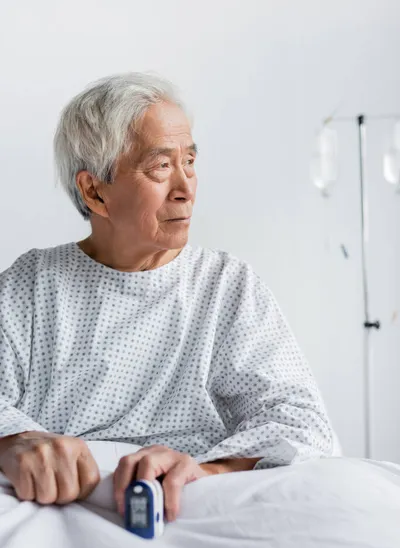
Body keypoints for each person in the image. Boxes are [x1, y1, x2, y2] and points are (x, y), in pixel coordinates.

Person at [0, 73, 334, 522]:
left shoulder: (226, 286)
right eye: (161, 167)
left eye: (190, 162)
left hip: (190, 504)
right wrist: (13, 440)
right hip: (60, 508)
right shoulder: (32, 284)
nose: (186, 187)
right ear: (94, 191)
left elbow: (303, 425)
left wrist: (203, 471)